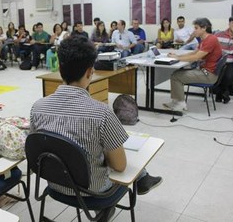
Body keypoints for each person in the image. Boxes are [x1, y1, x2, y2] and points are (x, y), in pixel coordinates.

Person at [30, 36, 162, 201]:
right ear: (89, 72)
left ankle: (142, 177)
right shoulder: (102, 113)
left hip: (55, 185)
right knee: (122, 153)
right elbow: (120, 167)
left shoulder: (37, 107)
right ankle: (140, 180)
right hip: (94, 192)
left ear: (60, 67)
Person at [164, 18, 222, 111]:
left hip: (208, 74)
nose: (194, 30)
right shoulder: (205, 39)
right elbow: (194, 53)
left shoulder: (211, 39)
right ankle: (176, 101)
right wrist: (178, 55)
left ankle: (180, 104)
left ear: (204, 28)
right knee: (177, 73)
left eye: (196, 28)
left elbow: (196, 57)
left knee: (176, 76)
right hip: (205, 70)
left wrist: (178, 58)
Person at [213, 16, 233, 103]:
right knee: (213, 75)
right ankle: (224, 92)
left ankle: (219, 93)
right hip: (219, 62)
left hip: (232, 62)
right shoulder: (219, 34)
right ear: (229, 24)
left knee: (228, 76)